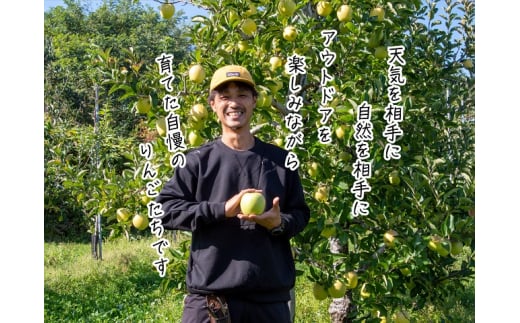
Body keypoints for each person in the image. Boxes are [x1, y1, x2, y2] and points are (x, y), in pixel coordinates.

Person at [155, 65, 310, 323]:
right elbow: (164, 211)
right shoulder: (195, 162)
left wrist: (279, 223)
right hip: (211, 302)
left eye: (242, 95)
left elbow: (301, 213)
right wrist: (221, 209)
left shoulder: (281, 161)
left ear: (254, 102)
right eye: (225, 96)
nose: (234, 103)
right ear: (213, 104)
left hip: (268, 301)